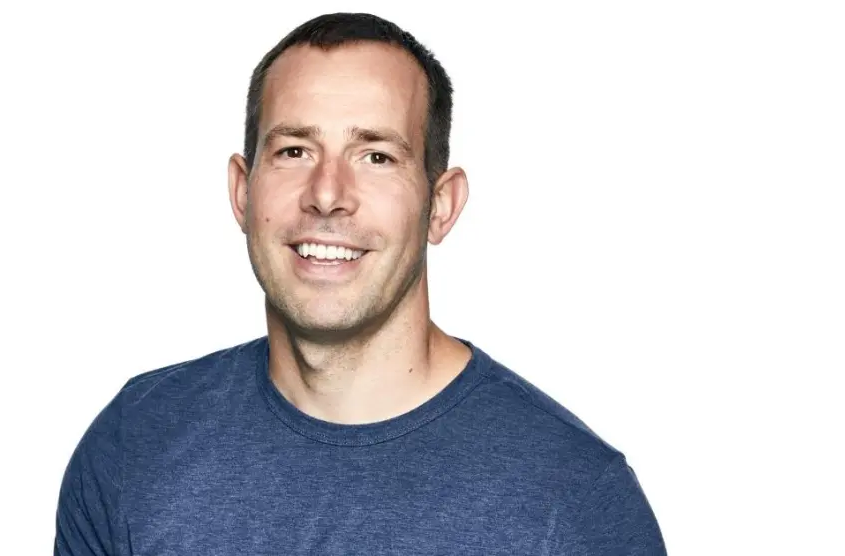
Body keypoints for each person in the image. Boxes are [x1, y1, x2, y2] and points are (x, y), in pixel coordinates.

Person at [54, 12, 667, 555]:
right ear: (242, 192)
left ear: (441, 206)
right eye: (294, 151)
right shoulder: (136, 442)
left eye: (377, 157)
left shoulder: (572, 496)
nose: (327, 195)